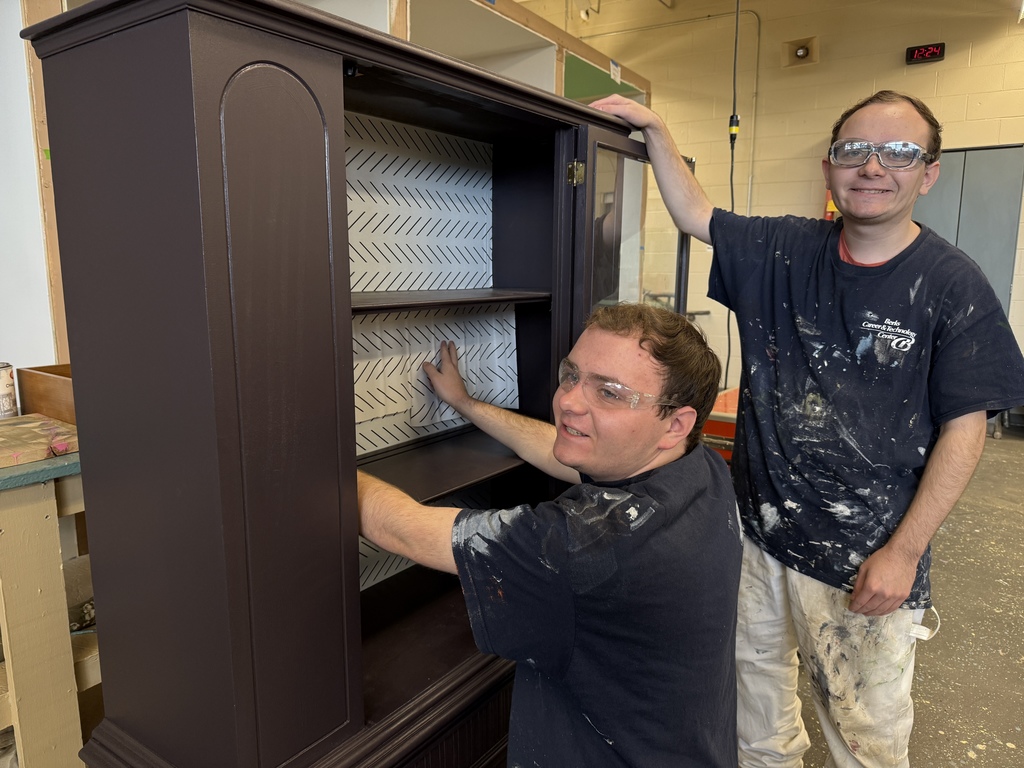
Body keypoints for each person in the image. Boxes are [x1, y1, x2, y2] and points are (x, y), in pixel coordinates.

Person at [588, 90, 1024, 768]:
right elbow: (697, 215)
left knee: (866, 739)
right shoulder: (787, 249)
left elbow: (963, 432)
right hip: (759, 539)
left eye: (900, 152)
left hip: (864, 558)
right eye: (855, 150)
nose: (874, 166)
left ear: (928, 172)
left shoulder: (951, 286)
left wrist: (905, 554)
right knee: (757, 718)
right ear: (830, 168)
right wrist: (654, 129)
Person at [357, 303, 742, 767]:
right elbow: (565, 450)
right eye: (572, 375)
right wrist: (467, 405)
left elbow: (404, 531)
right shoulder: (696, 467)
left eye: (611, 393)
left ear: (674, 423)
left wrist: (312, 459)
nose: (569, 401)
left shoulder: (584, 547)